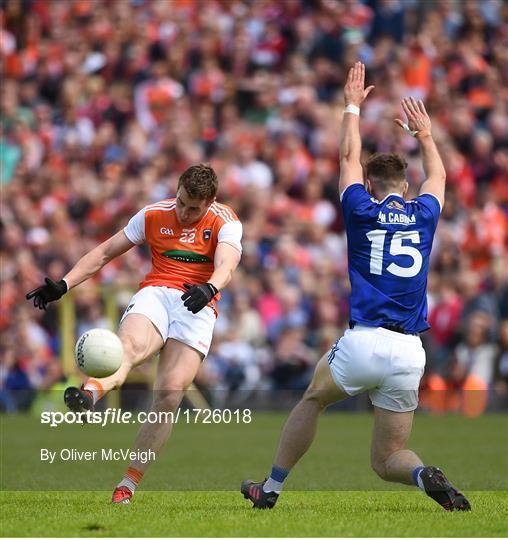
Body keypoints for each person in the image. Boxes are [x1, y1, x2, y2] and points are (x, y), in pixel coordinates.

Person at [241, 63, 470, 512]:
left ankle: (270, 488)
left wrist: (351, 105)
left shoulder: (360, 208)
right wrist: (424, 134)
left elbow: (348, 158)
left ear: (369, 186)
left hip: (364, 340)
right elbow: (439, 179)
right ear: (405, 187)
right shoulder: (423, 213)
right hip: (410, 351)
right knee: (387, 459)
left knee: (313, 398)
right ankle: (424, 473)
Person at [26, 163, 242, 504]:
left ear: (210, 201)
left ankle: (127, 485)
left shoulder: (225, 220)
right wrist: (65, 283)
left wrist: (210, 287)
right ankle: (90, 394)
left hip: (199, 304)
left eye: (194, 208)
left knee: (169, 395)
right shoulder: (154, 214)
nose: (185, 212)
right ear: (178, 190)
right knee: (128, 348)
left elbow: (227, 264)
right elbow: (104, 252)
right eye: (182, 202)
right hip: (157, 292)